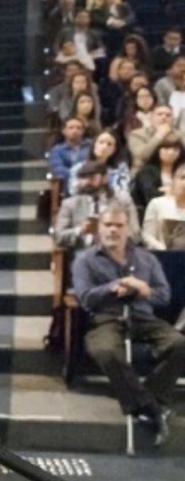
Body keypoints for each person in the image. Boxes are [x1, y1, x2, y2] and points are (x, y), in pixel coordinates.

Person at [72, 202, 184, 446]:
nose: (113, 230)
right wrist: (113, 287)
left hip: (143, 318)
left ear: (128, 229)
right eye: (108, 225)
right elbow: (84, 297)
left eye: (119, 225)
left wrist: (144, 290)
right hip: (105, 320)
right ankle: (153, 409)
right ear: (99, 228)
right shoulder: (85, 260)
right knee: (105, 350)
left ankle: (147, 399)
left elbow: (164, 296)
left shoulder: (147, 259)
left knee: (179, 343)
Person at [55, 161, 140, 255]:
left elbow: (135, 234)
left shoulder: (123, 201)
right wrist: (80, 230)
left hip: (117, 254)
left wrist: (113, 235)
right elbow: (59, 236)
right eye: (82, 178)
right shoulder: (70, 204)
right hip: (84, 256)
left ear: (105, 178)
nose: (86, 182)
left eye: (92, 178)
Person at [132, 134, 184, 217]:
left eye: (175, 149)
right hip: (152, 215)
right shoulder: (147, 171)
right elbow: (150, 195)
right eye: (166, 148)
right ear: (158, 150)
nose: (171, 152)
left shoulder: (182, 171)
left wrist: (167, 191)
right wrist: (174, 192)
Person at [142, 165, 185, 250]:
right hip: (161, 256)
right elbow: (147, 236)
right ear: (173, 180)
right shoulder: (157, 204)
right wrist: (164, 250)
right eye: (182, 178)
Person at [51, 118, 93, 195]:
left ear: (83, 131)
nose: (75, 131)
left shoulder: (91, 146)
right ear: (64, 131)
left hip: (88, 183)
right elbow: (58, 169)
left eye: (78, 128)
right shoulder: (57, 149)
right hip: (66, 186)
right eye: (71, 128)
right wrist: (75, 175)